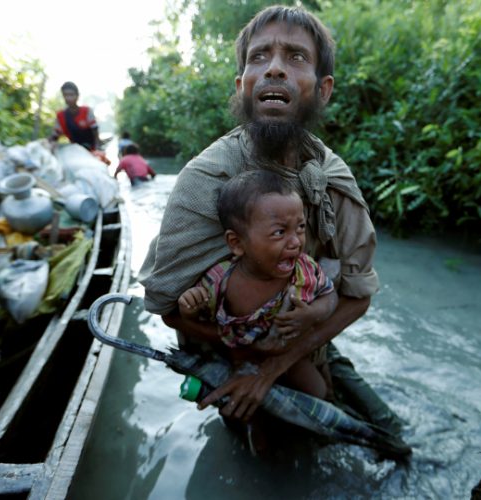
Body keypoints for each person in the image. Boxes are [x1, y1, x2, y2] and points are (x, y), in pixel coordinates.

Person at [140, 5, 405, 435]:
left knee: (390, 436)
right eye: (259, 57)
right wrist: (251, 355)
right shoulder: (207, 180)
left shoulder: (332, 179)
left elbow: (357, 294)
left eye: (296, 57)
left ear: (323, 90)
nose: (275, 70)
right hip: (228, 358)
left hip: (305, 342)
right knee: (253, 435)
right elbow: (169, 308)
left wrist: (280, 360)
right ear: (242, 84)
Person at [179, 170, 337, 400]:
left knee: (317, 391)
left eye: (300, 227)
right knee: (244, 408)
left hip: (287, 353)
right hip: (238, 356)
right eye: (279, 232)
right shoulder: (219, 280)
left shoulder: (304, 271)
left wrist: (312, 314)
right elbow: (197, 316)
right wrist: (189, 308)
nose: (296, 242)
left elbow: (330, 296)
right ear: (237, 243)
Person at [49, 81, 101, 152]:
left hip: (91, 150)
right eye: (65, 95)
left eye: (71, 95)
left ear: (77, 96)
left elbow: (95, 132)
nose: (68, 98)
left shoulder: (87, 111)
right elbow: (55, 136)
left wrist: (97, 149)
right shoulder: (60, 116)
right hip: (75, 151)